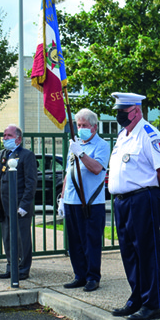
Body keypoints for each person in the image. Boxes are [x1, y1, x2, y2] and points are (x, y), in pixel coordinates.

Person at [107, 92, 160, 320]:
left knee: (146, 251)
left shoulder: (148, 134)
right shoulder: (123, 135)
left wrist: (157, 191)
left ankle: (151, 303)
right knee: (129, 252)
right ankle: (136, 297)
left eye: (123, 112)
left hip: (142, 199)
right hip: (122, 200)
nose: (119, 116)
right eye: (118, 112)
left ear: (137, 111)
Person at [58, 109, 110, 292]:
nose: (80, 129)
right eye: (78, 125)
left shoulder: (101, 145)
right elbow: (68, 173)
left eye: (84, 126)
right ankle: (79, 275)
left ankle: (92, 277)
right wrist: (62, 198)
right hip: (72, 200)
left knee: (90, 241)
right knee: (75, 241)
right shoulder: (75, 145)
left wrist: (81, 154)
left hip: (90, 202)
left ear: (94, 128)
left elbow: (97, 168)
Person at [0, 125, 38, 280]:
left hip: (20, 204)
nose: (5, 138)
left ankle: (23, 269)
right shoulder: (2, 154)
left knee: (22, 238)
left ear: (18, 139)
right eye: (4, 135)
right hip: (5, 204)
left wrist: (25, 204)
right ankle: (11, 266)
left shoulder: (26, 155)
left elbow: (31, 182)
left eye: (8, 135)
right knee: (8, 237)